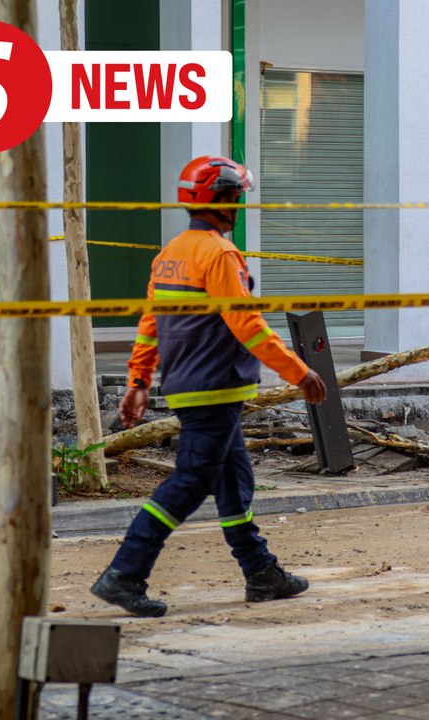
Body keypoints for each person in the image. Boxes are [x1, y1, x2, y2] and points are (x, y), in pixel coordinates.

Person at [91, 155, 328, 618]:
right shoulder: (220, 255)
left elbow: (149, 324)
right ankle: (124, 573)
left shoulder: (172, 253)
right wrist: (298, 371)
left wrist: (139, 381)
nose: (240, 207)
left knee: (234, 480)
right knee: (190, 481)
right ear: (219, 200)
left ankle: (261, 572)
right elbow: (248, 326)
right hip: (214, 387)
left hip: (187, 384)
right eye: (237, 198)